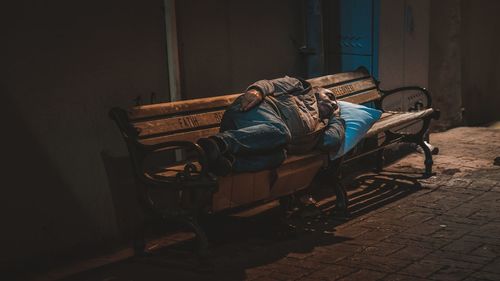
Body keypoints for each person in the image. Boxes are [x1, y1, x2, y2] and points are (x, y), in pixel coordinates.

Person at [197, 76, 345, 176]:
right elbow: (272, 84)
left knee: (278, 157)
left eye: (335, 105)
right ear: (318, 91)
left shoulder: (321, 126)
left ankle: (226, 162)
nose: (333, 103)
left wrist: (336, 117)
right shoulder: (303, 88)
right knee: (281, 131)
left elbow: (331, 141)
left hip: (258, 139)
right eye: (330, 96)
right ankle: (216, 144)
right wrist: (257, 90)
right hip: (250, 110)